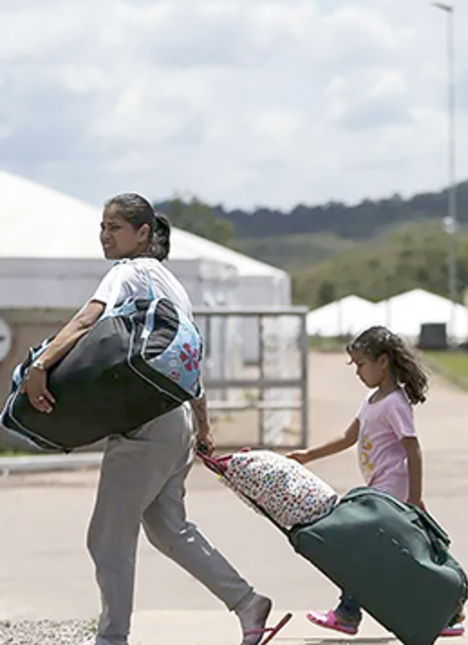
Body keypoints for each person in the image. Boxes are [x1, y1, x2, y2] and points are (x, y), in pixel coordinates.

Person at [22, 193, 280, 645]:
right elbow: (189, 357)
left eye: (115, 227)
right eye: (102, 227)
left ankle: (112, 638)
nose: (105, 236)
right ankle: (247, 603)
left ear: (143, 234)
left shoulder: (128, 272)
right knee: (168, 529)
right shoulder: (172, 284)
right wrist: (202, 425)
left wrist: (40, 366)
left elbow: (87, 321)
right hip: (174, 417)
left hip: (145, 424)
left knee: (107, 538)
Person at [287, 325, 465, 637]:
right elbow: (348, 437)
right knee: (392, 557)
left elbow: (413, 448)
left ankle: (348, 612)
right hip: (378, 490)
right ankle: (446, 615)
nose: (357, 372)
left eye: (361, 364)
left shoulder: (395, 403)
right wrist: (308, 455)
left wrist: (415, 497)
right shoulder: (372, 400)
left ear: (383, 361)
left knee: (362, 549)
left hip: (391, 492)